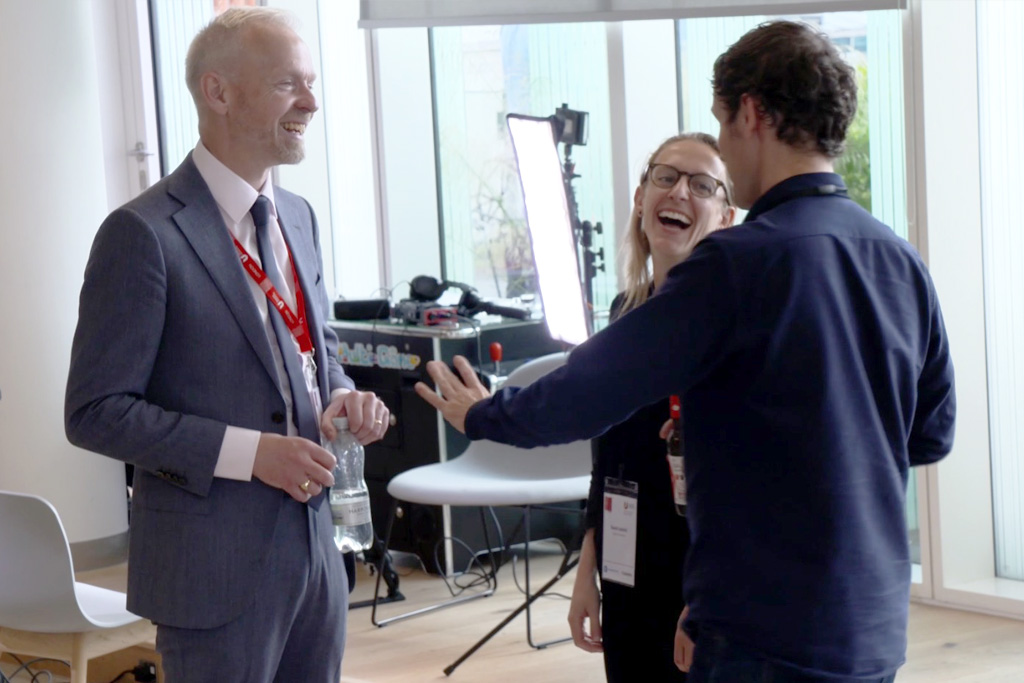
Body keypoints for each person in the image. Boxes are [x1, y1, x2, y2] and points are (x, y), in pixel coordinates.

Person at [416, 19, 955, 683]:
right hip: (870, 625)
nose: (725, 149)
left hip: (763, 629)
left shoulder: (738, 262)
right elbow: (929, 435)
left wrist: (484, 415)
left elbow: (587, 393)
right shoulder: (900, 261)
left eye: (724, 127)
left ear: (753, 114)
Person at [64, 8, 389, 682]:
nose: (312, 102)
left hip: (317, 560)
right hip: (209, 571)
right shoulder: (141, 234)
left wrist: (342, 395)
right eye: (287, 85)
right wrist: (251, 455)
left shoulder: (297, 215)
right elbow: (95, 410)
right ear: (218, 92)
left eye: (311, 82)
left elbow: (315, 348)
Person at [568, 132, 735, 682]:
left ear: (727, 217)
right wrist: (586, 572)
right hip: (626, 563)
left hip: (700, 578)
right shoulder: (625, 313)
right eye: (666, 177)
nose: (679, 192)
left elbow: (744, 490)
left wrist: (708, 598)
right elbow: (607, 458)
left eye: (702, 185)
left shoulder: (728, 330)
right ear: (641, 197)